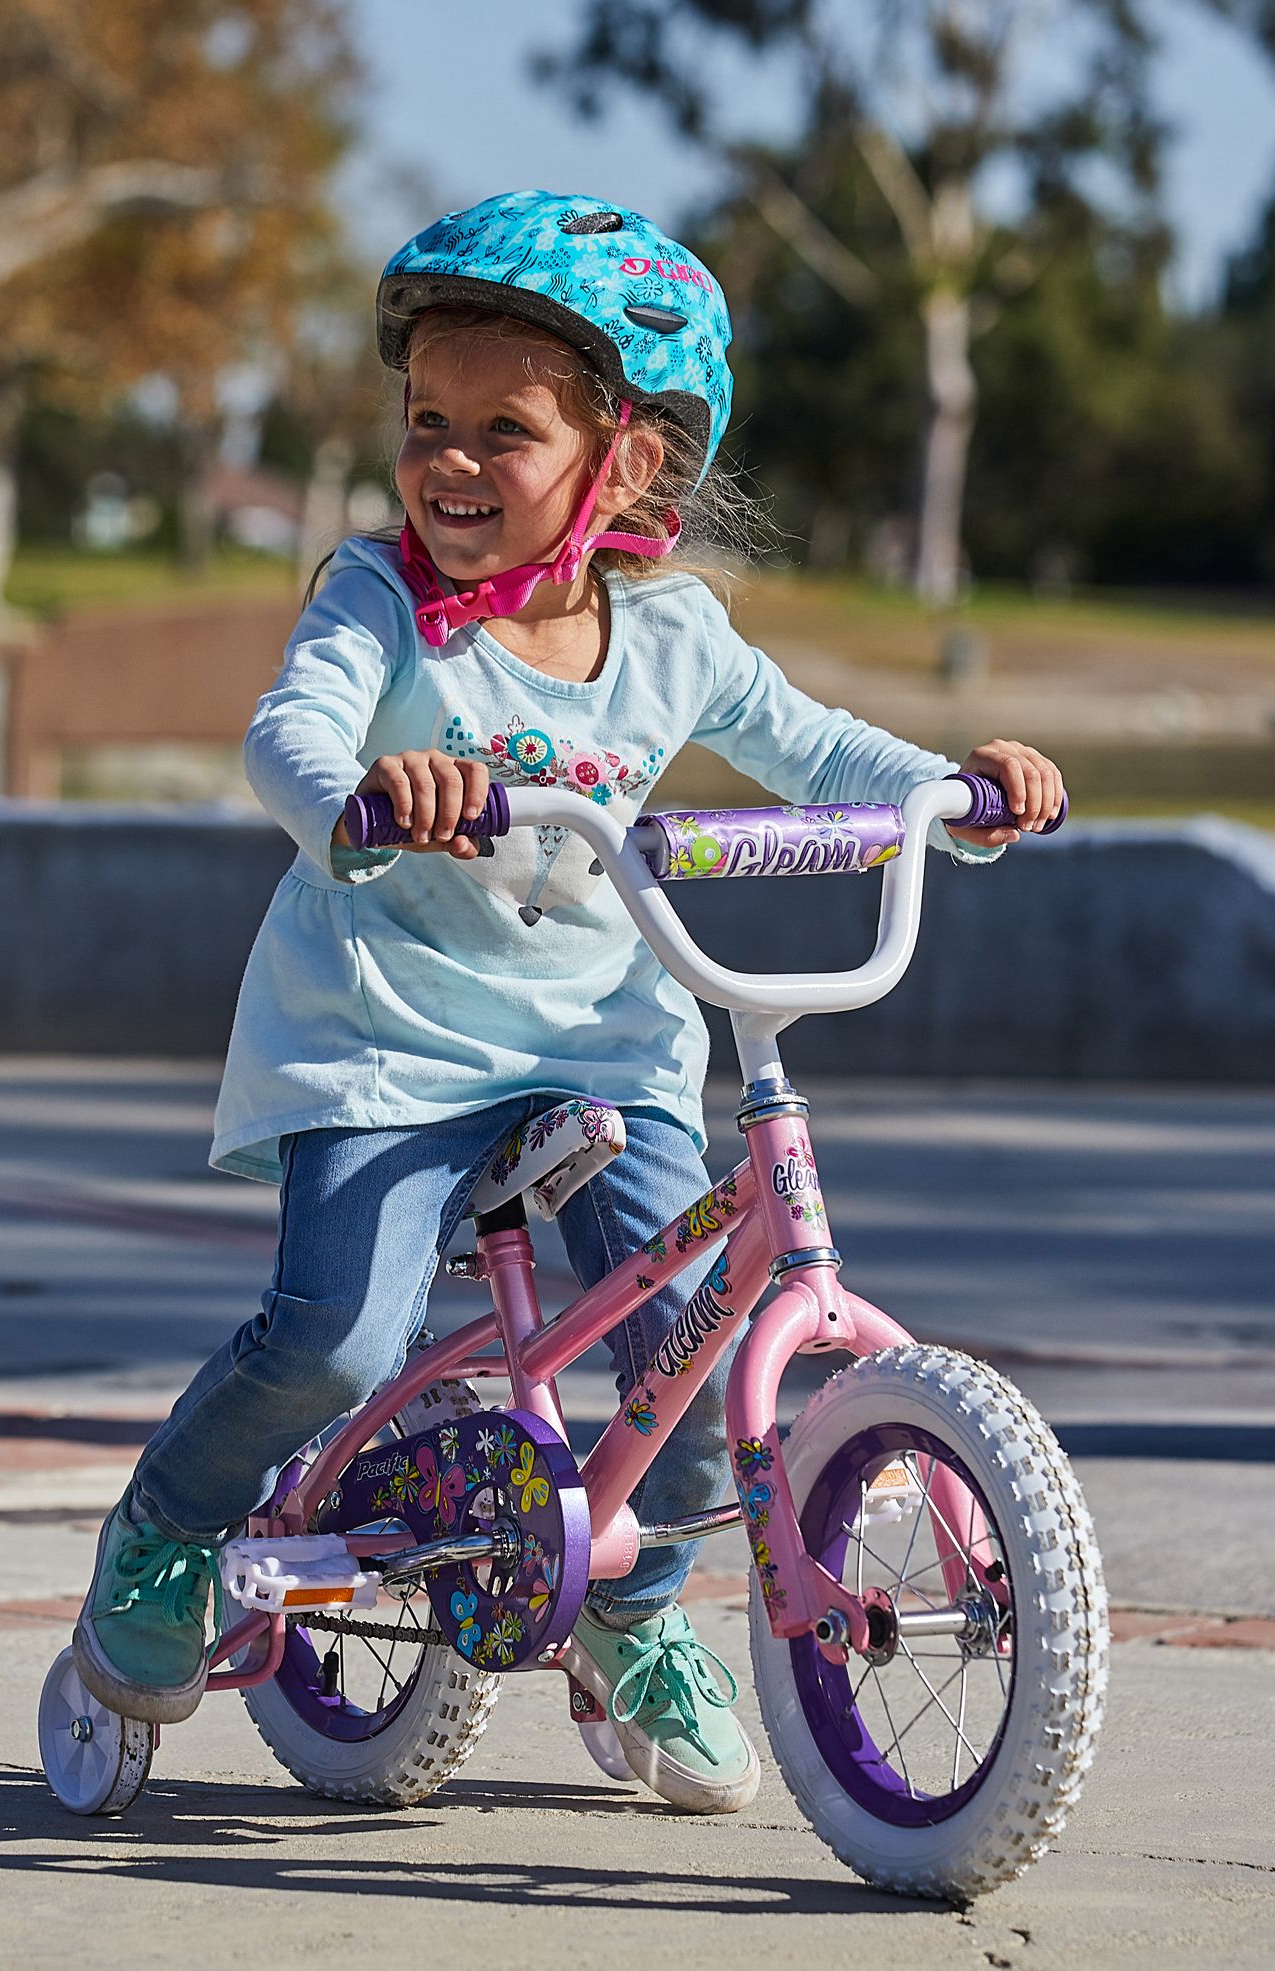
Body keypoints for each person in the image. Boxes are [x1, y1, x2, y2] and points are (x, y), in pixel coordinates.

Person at [73, 190, 1066, 1814]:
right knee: (336, 1339)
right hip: (385, 1036)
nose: (448, 462)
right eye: (425, 423)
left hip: (600, 1039)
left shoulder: (675, 633)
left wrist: (955, 787)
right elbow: (286, 732)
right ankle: (173, 1524)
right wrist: (364, 791)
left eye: (502, 431)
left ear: (629, 461)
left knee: (700, 1341)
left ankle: (632, 1608)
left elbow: (817, 751)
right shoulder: (380, 597)